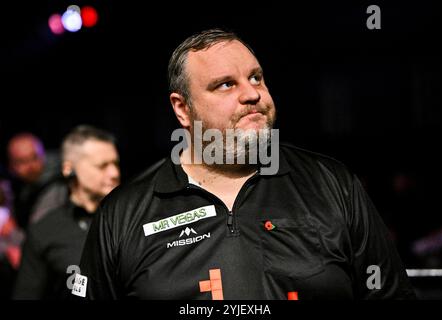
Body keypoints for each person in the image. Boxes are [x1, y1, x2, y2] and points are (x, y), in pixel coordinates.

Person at [75, 29, 416, 299]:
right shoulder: (122, 214)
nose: (252, 93)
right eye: (226, 84)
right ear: (182, 109)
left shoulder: (333, 184)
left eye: (256, 78)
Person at [13, 125, 120, 299]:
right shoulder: (45, 230)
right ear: (68, 168)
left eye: (115, 163)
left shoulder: (132, 216)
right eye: (102, 166)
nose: (114, 173)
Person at [7, 133, 67, 229]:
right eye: (22, 161)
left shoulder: (59, 183)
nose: (31, 166)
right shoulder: (14, 185)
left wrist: (12, 231)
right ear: (11, 166)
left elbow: (37, 231)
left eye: (34, 157)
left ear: (43, 154)